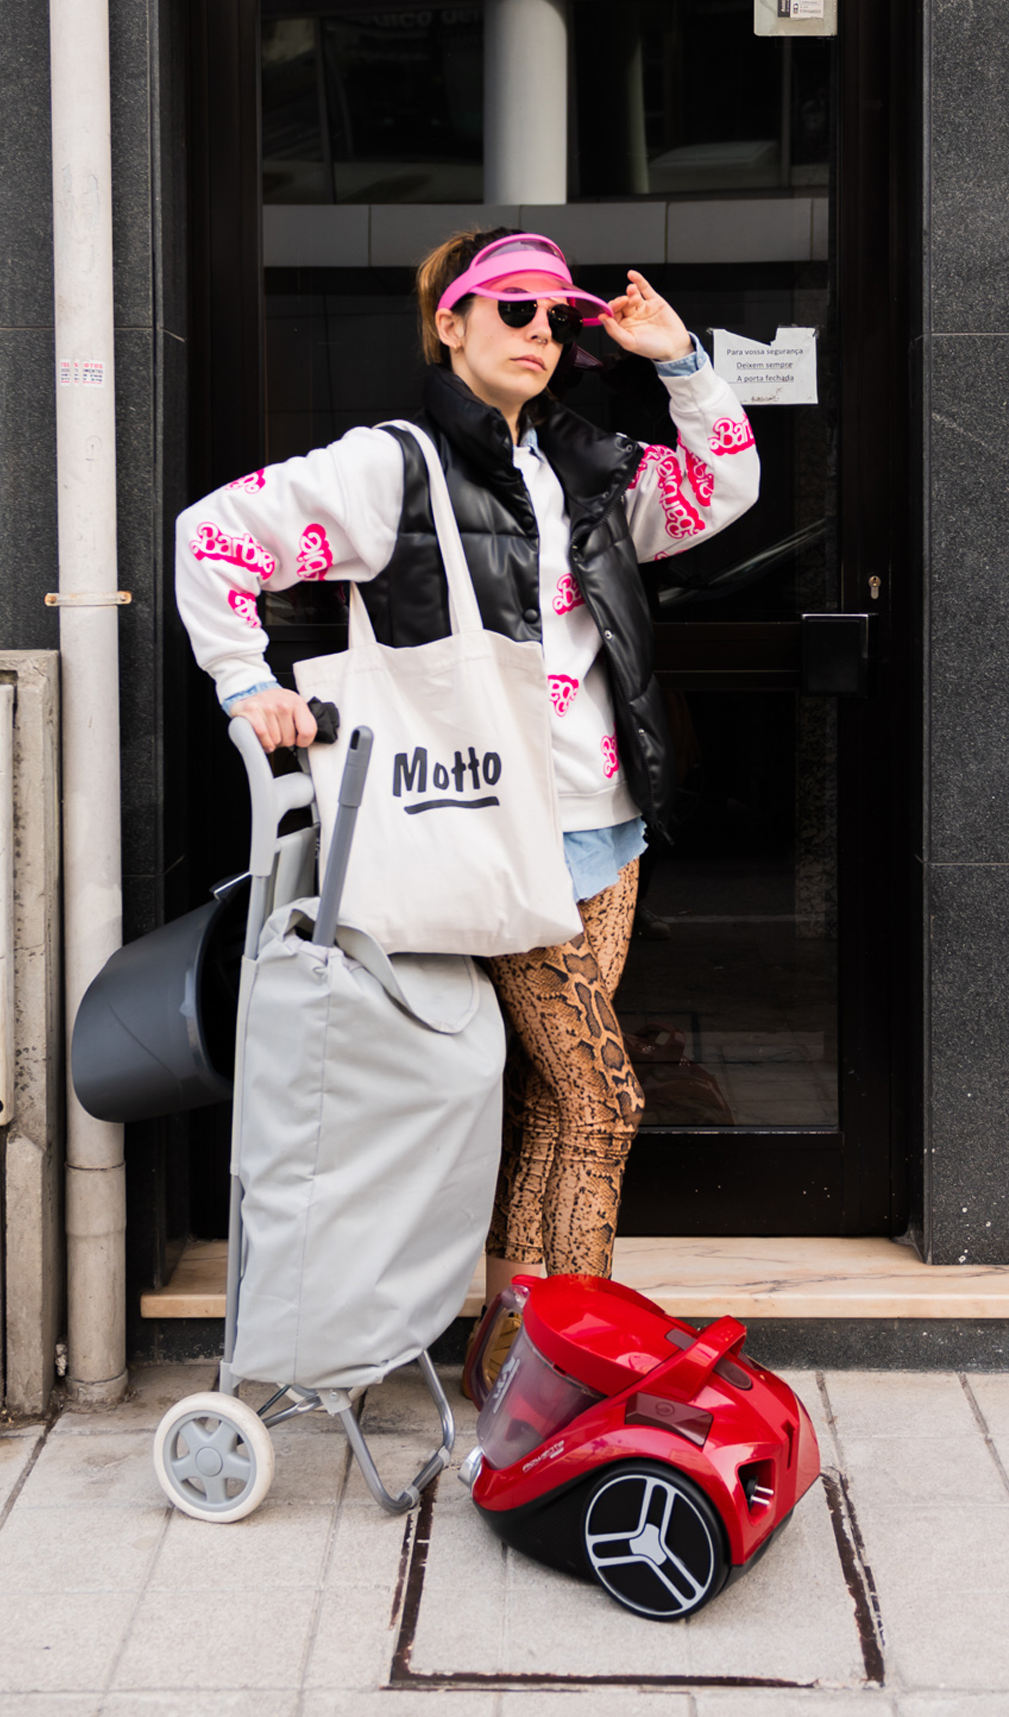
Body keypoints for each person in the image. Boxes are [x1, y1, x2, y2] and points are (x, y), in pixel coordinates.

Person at [175, 228, 760, 1325]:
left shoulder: (584, 461)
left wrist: (679, 360)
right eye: (512, 308)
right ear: (450, 323)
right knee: (602, 1102)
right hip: (496, 826)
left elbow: (717, 488)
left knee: (549, 1098)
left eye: (558, 316)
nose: (540, 331)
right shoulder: (386, 466)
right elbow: (214, 534)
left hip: (606, 818)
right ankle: (570, 1360)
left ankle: (512, 1354)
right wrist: (244, 682)